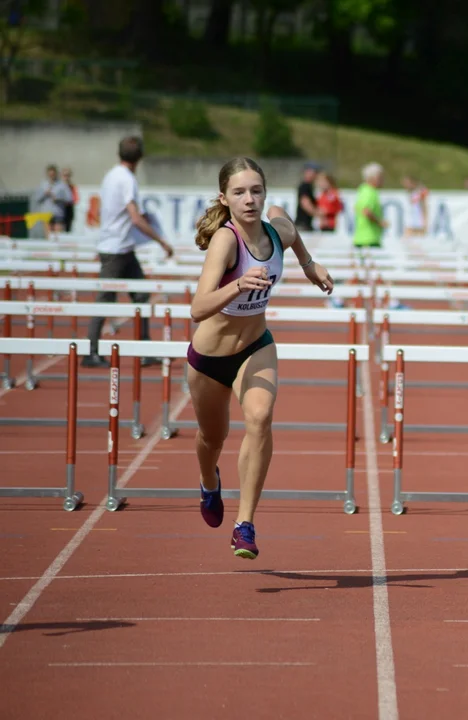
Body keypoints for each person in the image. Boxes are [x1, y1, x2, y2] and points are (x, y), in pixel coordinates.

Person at [186, 157, 334, 560]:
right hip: (210, 358)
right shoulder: (226, 240)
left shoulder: (276, 230)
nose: (249, 199)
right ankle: (207, 481)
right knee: (211, 439)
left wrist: (308, 265)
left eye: (256, 191)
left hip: (256, 346)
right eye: (239, 192)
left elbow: (288, 225)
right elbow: (198, 308)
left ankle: (244, 524)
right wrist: (236, 286)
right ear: (224, 198)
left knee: (260, 417)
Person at [83, 137, 175, 368]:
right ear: (139, 158)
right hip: (114, 250)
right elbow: (135, 217)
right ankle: (90, 351)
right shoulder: (127, 179)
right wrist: (161, 241)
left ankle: (144, 349)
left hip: (122, 248)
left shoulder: (111, 175)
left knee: (141, 295)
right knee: (105, 300)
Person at [353, 162, 387, 249]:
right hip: (369, 239)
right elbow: (366, 211)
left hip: (362, 237)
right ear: (374, 177)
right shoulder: (370, 191)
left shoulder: (363, 190)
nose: (383, 180)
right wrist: (380, 222)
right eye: (380, 177)